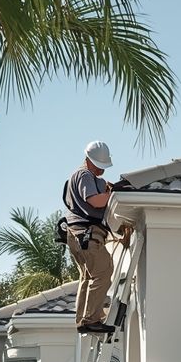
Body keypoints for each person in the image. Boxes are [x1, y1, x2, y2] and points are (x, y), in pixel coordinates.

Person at [64, 141, 116, 334]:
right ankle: (92, 319)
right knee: (103, 272)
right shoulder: (84, 174)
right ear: (87, 160)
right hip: (87, 233)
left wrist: (105, 188)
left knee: (88, 277)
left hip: (78, 234)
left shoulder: (83, 177)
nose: (101, 170)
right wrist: (112, 193)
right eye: (98, 165)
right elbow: (95, 201)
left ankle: (84, 321)